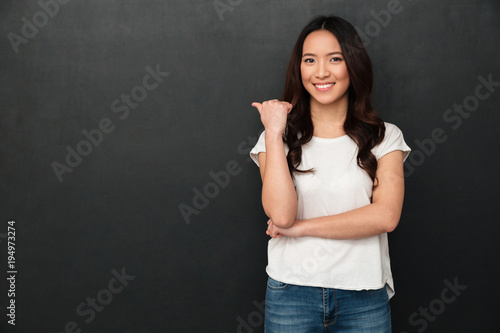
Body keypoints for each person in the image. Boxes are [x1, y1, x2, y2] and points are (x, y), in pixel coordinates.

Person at [250, 15, 411, 332]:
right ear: (300, 68)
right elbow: (282, 215)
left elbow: (386, 216)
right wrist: (272, 132)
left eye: (334, 59)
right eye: (310, 60)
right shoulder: (277, 137)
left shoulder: (384, 137)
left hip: (363, 295)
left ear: (353, 65)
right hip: (291, 293)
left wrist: (302, 229)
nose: (321, 72)